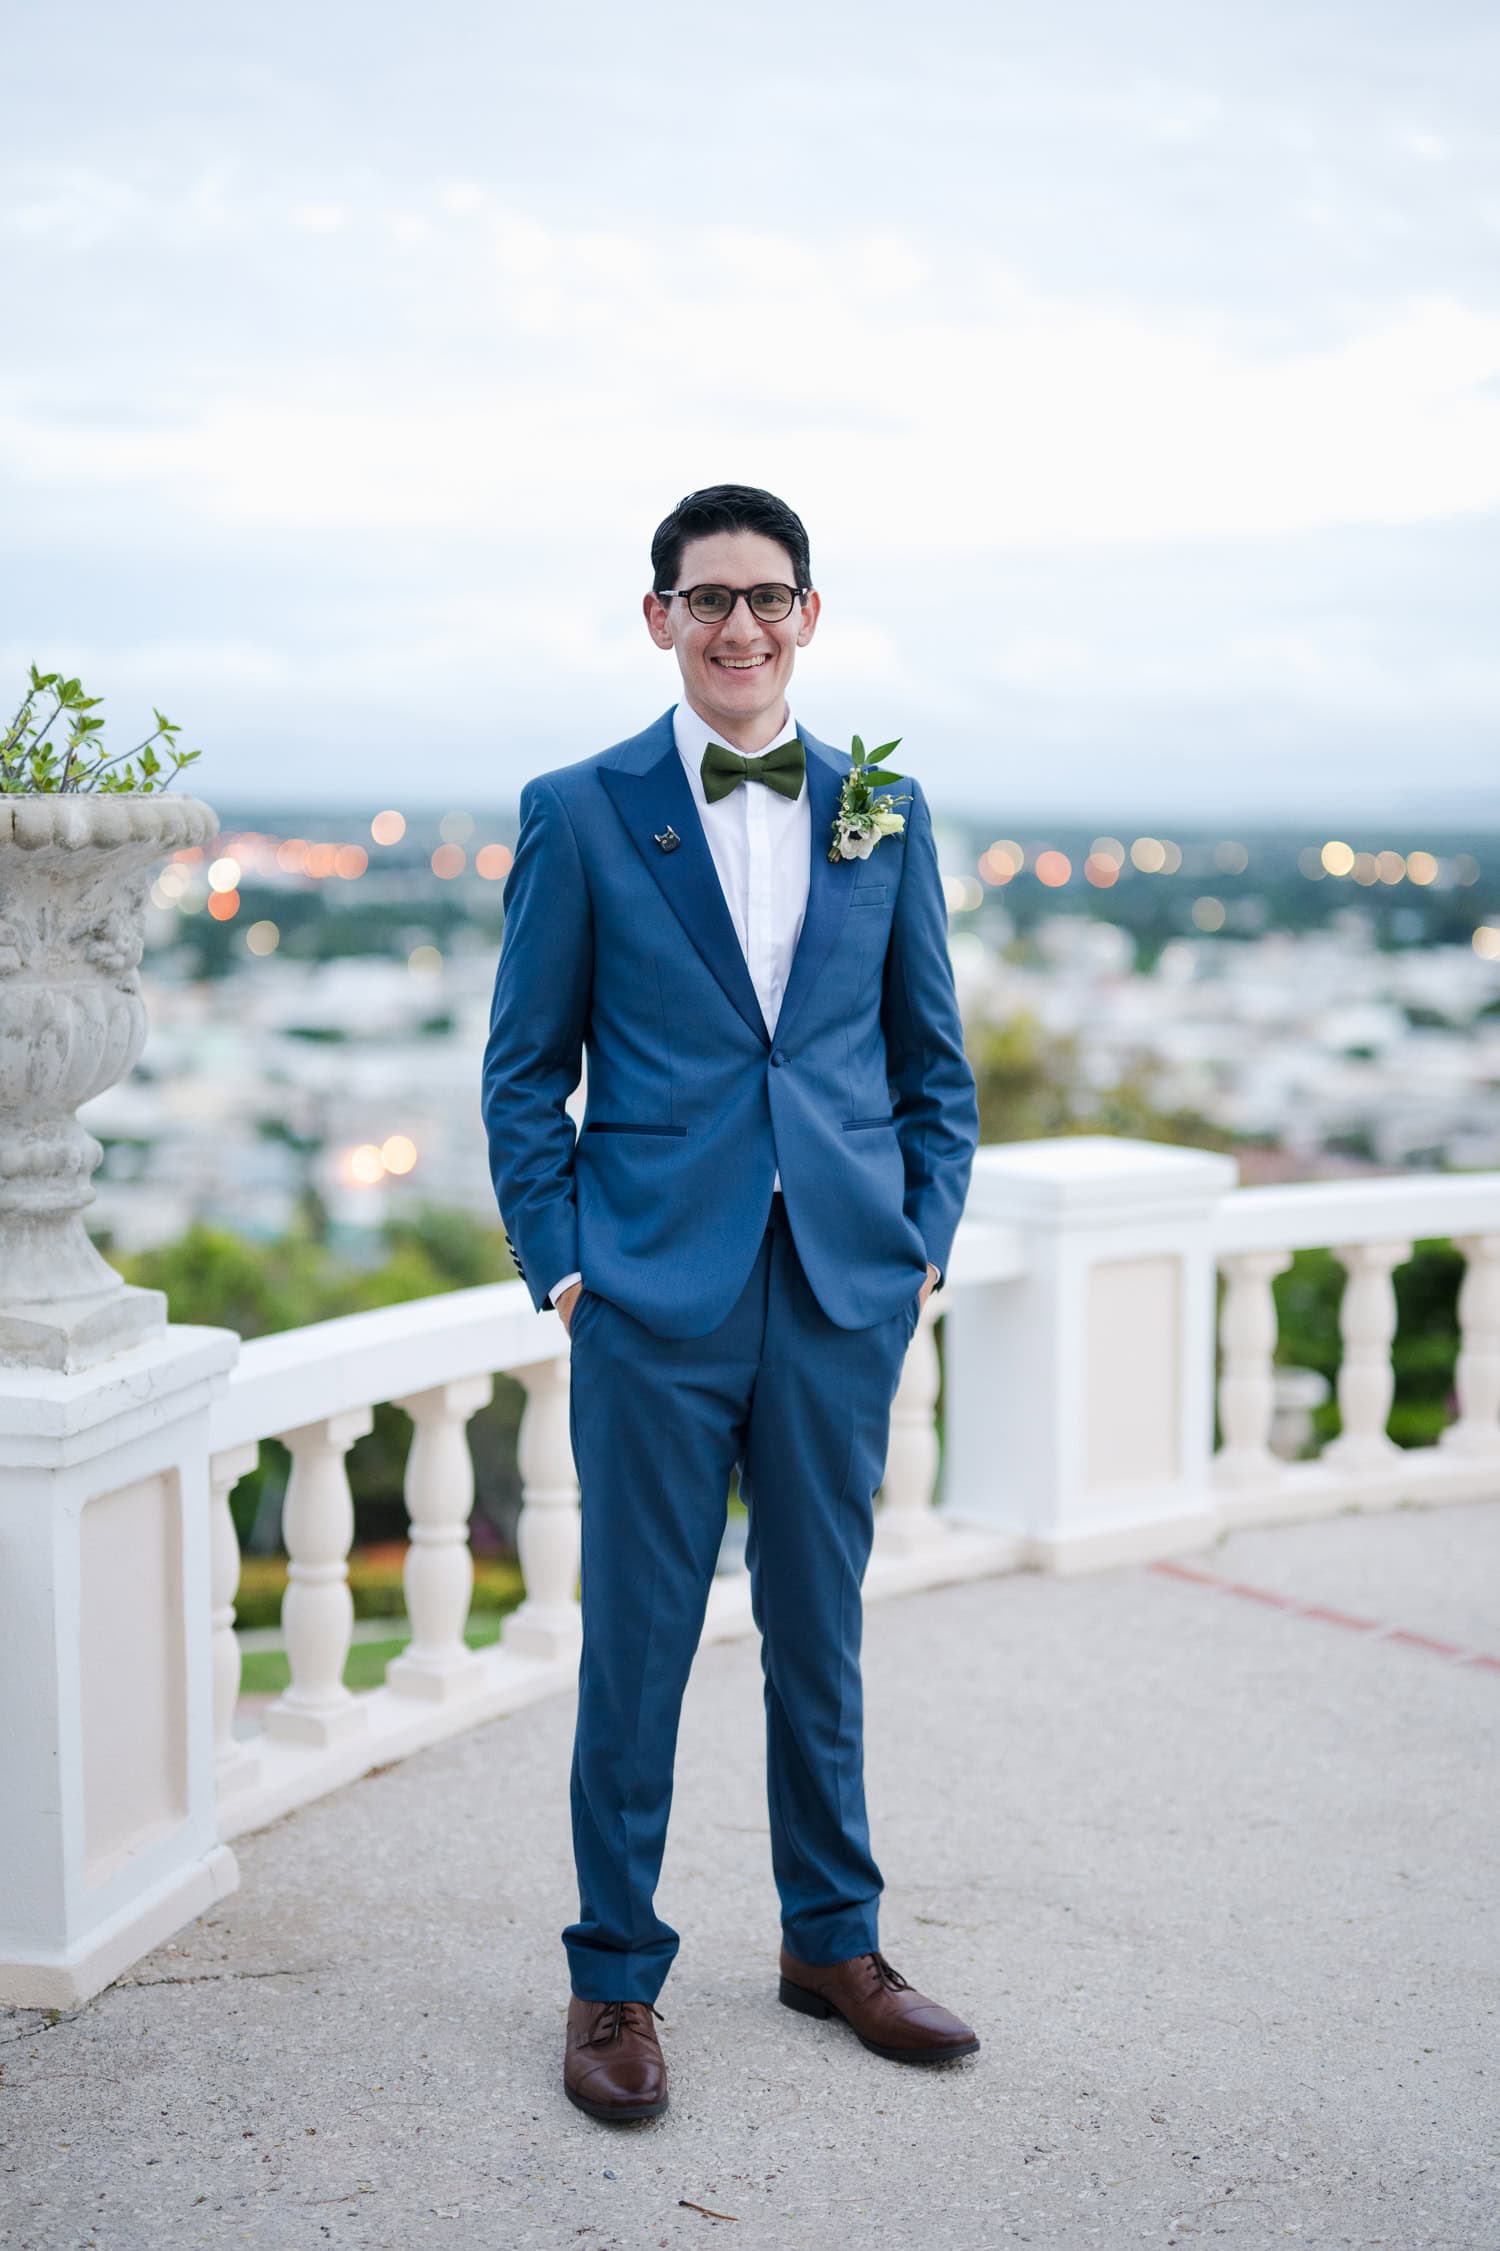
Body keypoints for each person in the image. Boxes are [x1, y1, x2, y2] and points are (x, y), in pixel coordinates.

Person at [481, 483, 981, 2124]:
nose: (741, 627)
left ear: (810, 616)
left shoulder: (882, 807)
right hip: (651, 1294)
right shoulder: (578, 807)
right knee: (637, 1647)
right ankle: (612, 1979)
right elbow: (520, 1074)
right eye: (709, 600)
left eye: (770, 598)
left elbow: (933, 1070)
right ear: (660, 621)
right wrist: (566, 1265)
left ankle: (832, 1944)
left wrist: (920, 1247)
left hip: (839, 1289)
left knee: (820, 1636)